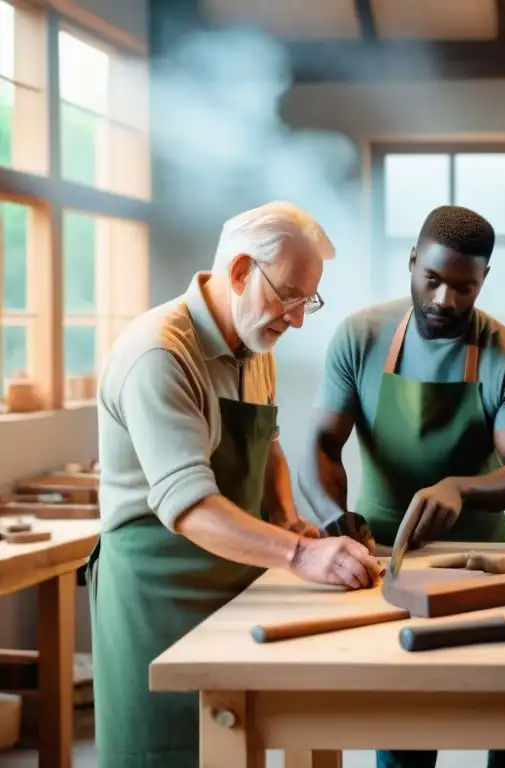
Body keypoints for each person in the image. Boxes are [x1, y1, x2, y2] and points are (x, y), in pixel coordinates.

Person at [88, 201, 381, 766]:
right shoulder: (160, 354)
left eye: (307, 302)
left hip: (232, 582)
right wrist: (299, 554)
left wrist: (287, 516)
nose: (296, 319)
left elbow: (266, 442)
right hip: (157, 595)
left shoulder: (254, 339)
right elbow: (192, 509)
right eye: (288, 297)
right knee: (163, 754)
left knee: (233, 747)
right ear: (242, 271)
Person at [300, 204, 505, 768]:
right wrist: (331, 515)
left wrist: (461, 488)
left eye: (464, 287)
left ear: (484, 280)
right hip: (385, 559)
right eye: (431, 280)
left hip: (481, 562)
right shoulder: (359, 338)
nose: (444, 300)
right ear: (412, 262)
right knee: (405, 728)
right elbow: (319, 444)